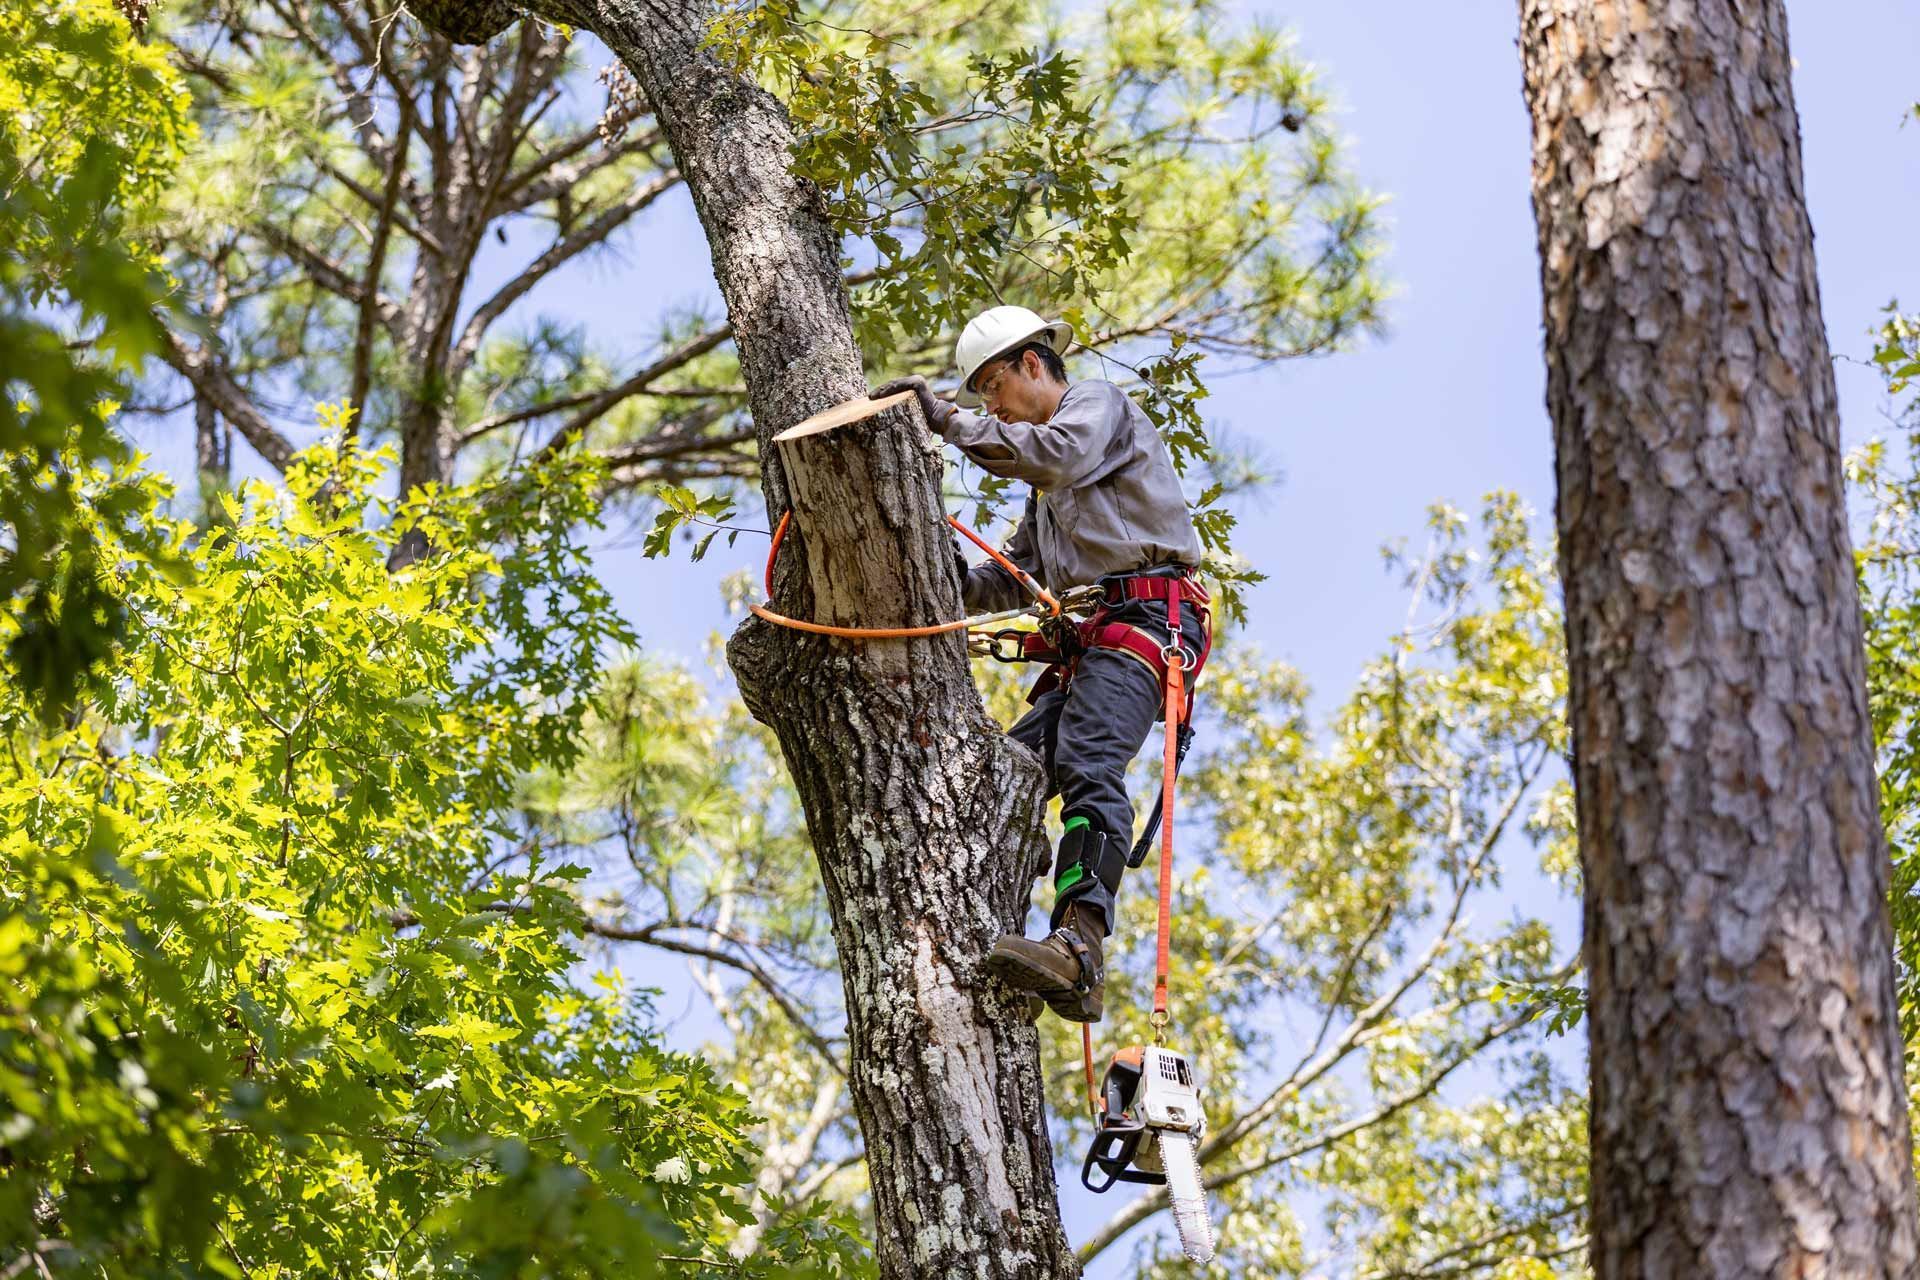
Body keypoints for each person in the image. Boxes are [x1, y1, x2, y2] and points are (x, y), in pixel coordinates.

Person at [873, 304, 1210, 1022]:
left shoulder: (1095, 409)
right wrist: (926, 565)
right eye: (980, 399)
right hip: (1098, 642)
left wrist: (944, 419)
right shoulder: (1046, 500)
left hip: (1147, 624)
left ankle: (1079, 944)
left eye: (992, 388)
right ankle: (1017, 912)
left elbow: (1055, 454)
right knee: (1005, 770)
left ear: (1033, 364)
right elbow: (1014, 577)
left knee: (1089, 762)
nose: (990, 407)